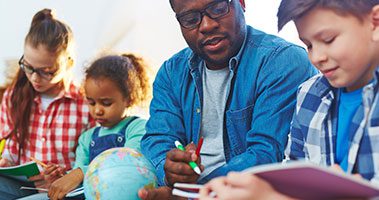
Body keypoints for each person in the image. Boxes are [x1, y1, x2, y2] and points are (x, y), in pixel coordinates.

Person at [199, 0, 379, 199]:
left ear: (375, 23)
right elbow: (296, 181)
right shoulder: (310, 95)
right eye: (308, 45)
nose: (317, 57)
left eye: (328, 39)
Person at [138, 0, 317, 198]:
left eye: (218, 8)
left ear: (241, 2)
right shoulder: (171, 73)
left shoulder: (284, 61)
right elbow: (158, 138)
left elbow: (266, 153)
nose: (207, 26)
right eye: (190, 19)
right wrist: (170, 170)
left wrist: (191, 193)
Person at [0, 9, 95, 199]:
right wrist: (6, 164)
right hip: (22, 187)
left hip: (65, 190)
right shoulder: (13, 96)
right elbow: (9, 152)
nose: (35, 78)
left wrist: (65, 176)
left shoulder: (85, 103)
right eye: (28, 67)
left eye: (47, 71)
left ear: (68, 63)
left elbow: (94, 160)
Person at [47, 54, 152, 200]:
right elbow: (78, 179)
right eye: (91, 102)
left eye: (106, 103)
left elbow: (128, 164)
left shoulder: (137, 128)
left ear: (129, 99)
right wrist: (63, 177)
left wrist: (79, 173)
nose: (97, 110)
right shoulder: (86, 138)